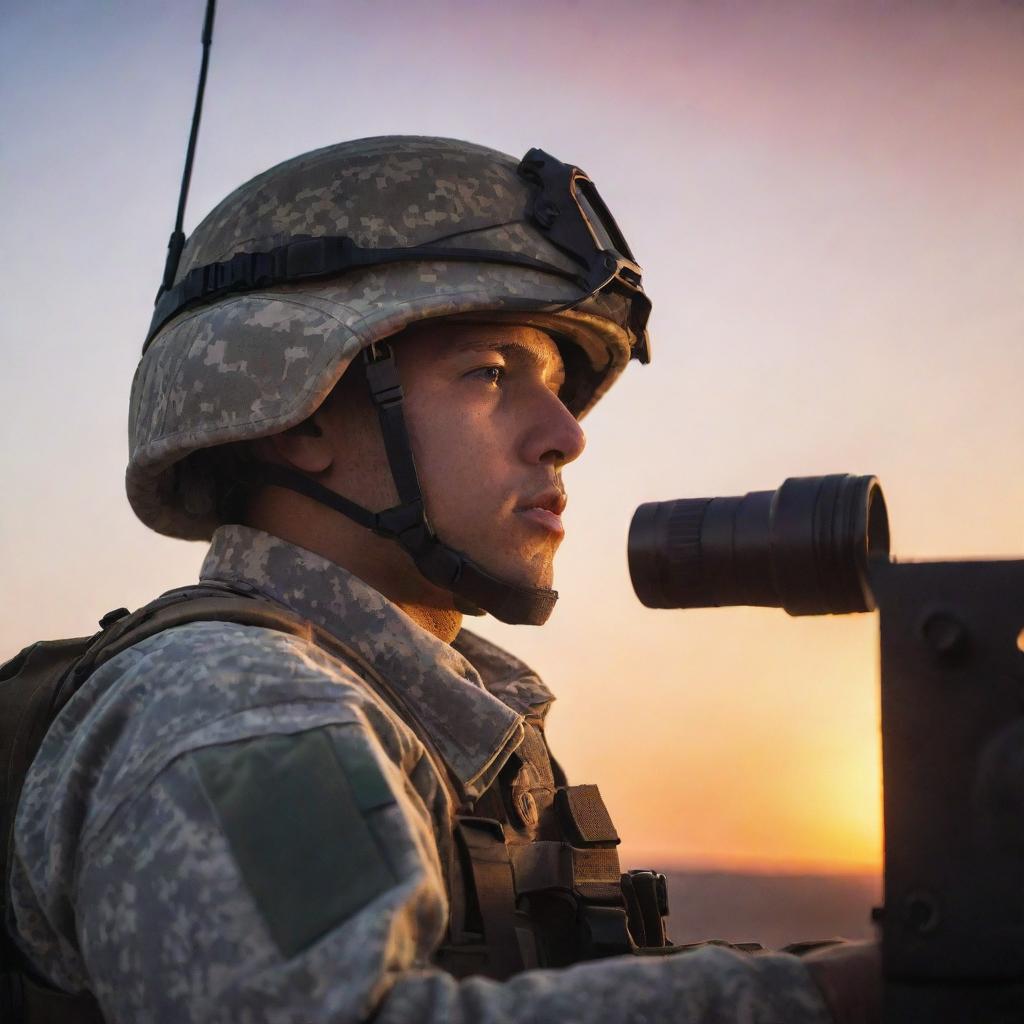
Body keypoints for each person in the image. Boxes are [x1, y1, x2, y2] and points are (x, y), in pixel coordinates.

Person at [7, 136, 878, 1023]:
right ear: (299, 413)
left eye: (555, 386)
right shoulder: (239, 708)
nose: (565, 434)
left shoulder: (430, 707)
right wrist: (819, 1001)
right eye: (491, 373)